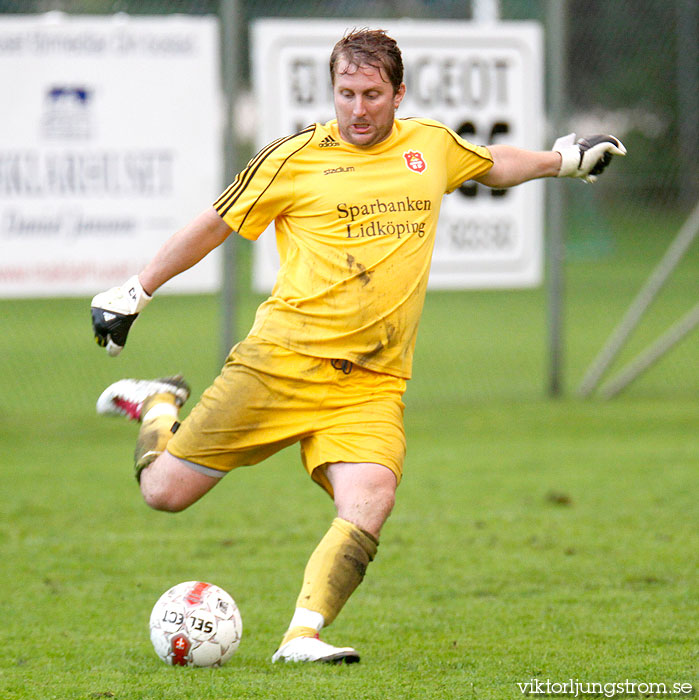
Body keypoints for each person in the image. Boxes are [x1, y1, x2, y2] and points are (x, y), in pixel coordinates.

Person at [91, 28, 625, 664]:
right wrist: (136, 290)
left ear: (399, 93)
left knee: (371, 496)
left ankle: (302, 636)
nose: (358, 108)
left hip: (370, 384)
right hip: (279, 365)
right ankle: (156, 404)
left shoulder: (428, 145)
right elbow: (213, 224)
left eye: (373, 94)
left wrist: (562, 160)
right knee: (165, 493)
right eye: (346, 93)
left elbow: (491, 163)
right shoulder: (293, 158)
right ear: (333, 92)